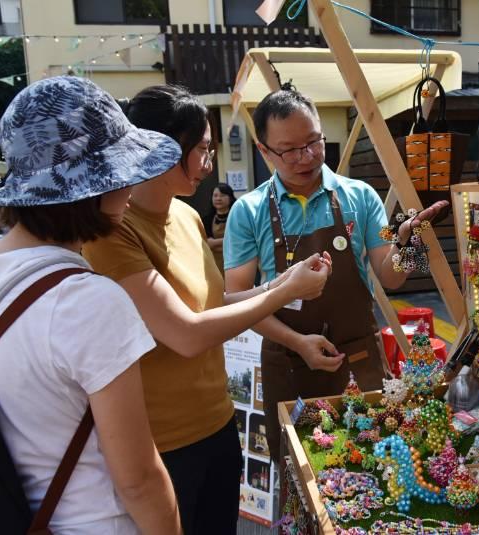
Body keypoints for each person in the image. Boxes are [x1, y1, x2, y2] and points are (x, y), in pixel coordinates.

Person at [0, 76, 183, 534]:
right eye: (119, 176)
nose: (128, 191)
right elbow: (139, 481)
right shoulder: (88, 301)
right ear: (89, 187)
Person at [82, 84, 331, 535]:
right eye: (201, 149)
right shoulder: (114, 233)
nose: (210, 162)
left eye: (313, 143)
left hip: (219, 422)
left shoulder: (185, 215)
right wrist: (282, 297)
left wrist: (279, 283)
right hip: (163, 445)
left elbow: (214, 306)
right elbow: (188, 333)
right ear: (160, 148)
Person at [224, 88, 447, 467]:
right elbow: (237, 298)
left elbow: (391, 278)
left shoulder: (359, 195)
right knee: (302, 476)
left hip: (357, 358)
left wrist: (411, 240)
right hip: (289, 363)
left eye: (313, 142)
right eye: (289, 149)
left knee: (374, 464)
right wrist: (298, 342)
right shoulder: (249, 210)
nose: (306, 157)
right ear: (264, 152)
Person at [203, 183, 237, 274]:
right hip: (215, 263)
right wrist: (227, 239)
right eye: (215, 196)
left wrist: (215, 242)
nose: (218, 198)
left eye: (222, 195)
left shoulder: (237, 216)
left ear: (230, 198)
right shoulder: (207, 219)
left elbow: (238, 239)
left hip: (236, 261)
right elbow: (207, 243)